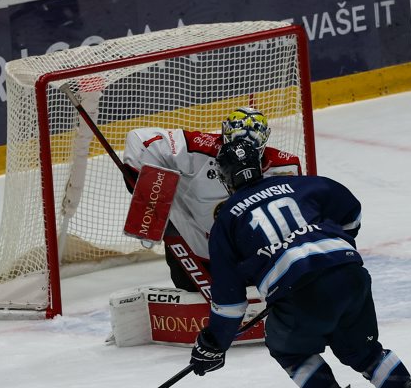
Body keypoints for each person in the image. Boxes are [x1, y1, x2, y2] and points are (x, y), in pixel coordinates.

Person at [187, 131, 411, 388]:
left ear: (226, 178)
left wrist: (214, 344)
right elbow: (351, 211)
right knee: (364, 350)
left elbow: (230, 303)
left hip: (300, 293)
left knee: (287, 349)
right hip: (348, 273)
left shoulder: (226, 221)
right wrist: (333, 247)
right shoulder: (302, 184)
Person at [121, 106, 298, 293]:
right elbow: (139, 139)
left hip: (247, 255)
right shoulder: (196, 148)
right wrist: (151, 201)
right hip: (195, 247)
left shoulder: (285, 168)